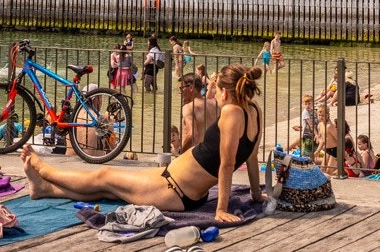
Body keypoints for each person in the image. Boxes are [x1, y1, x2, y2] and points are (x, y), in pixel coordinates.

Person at [21, 63, 264, 225]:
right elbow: (251, 158)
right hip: (176, 183)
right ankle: (45, 190)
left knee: (105, 176)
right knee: (108, 190)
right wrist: (256, 195)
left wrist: (221, 210)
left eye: (216, 90)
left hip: (173, 189)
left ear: (225, 92)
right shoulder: (254, 110)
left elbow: (227, 164)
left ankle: (46, 170)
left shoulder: (231, 112)